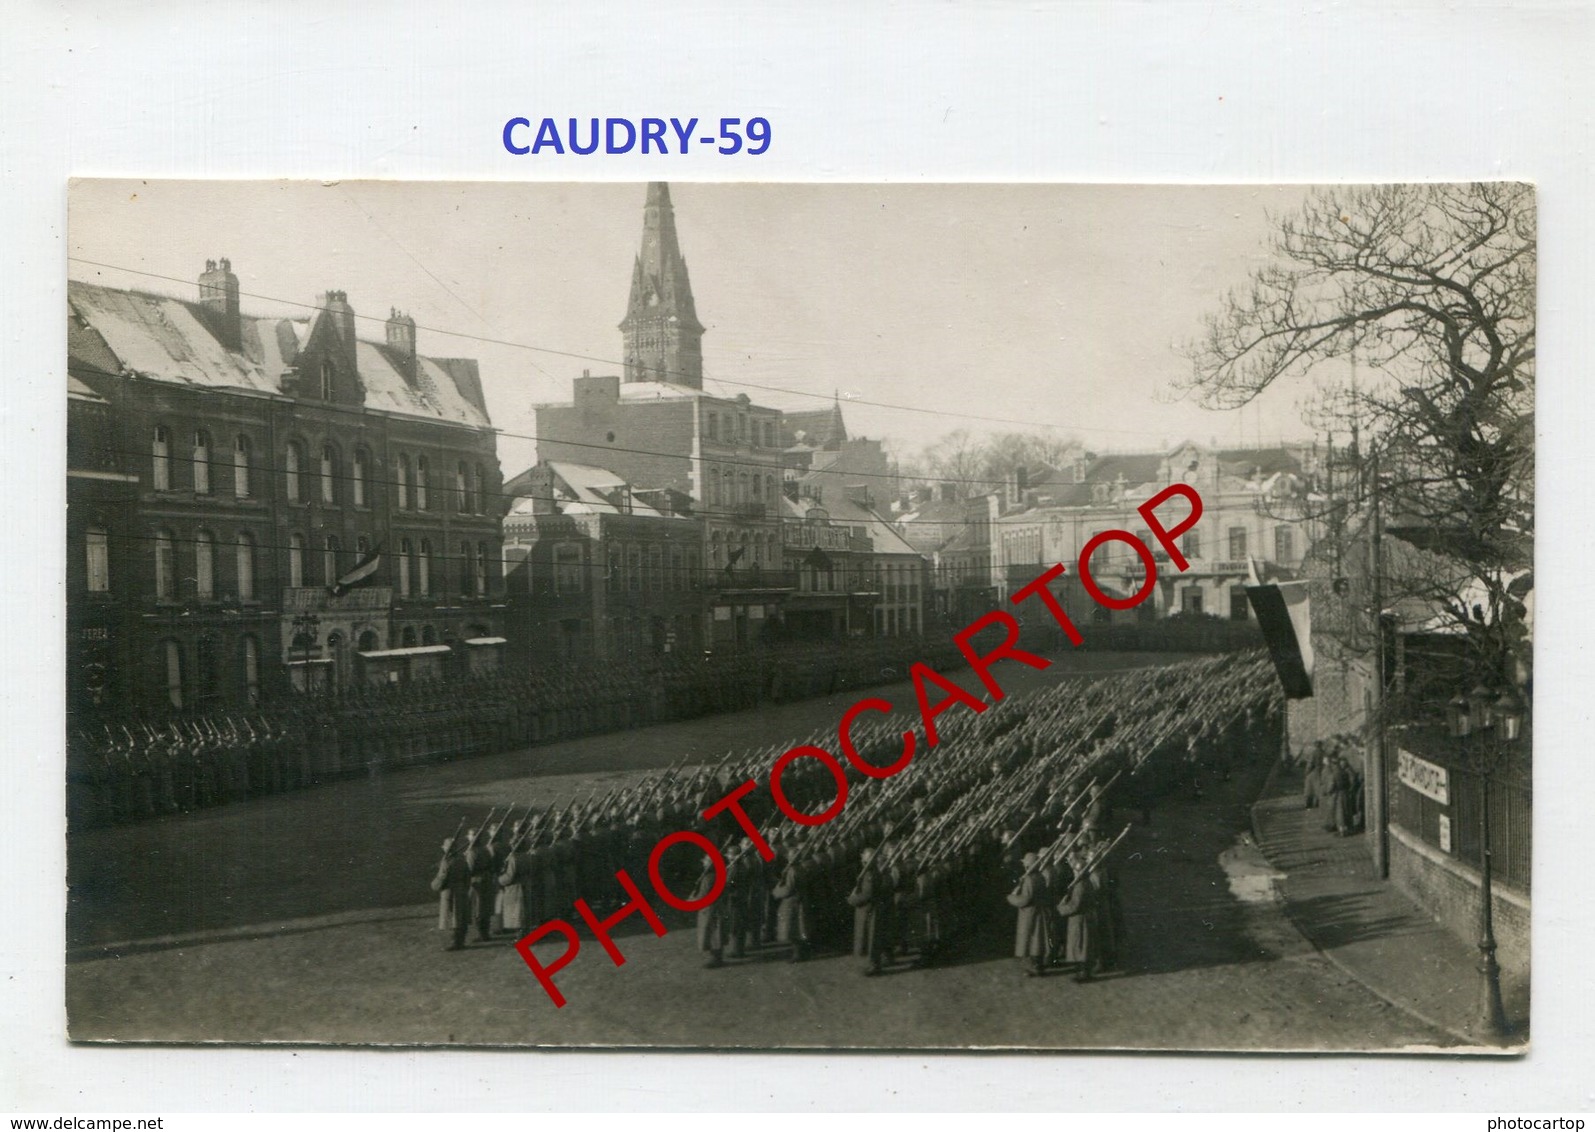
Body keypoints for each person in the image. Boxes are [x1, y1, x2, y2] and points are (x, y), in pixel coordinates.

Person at [1056, 847, 1102, 982]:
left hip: (1080, 920)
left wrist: (1061, 909)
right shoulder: (1084, 883)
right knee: (1082, 945)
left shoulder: (1080, 886)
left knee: (1081, 946)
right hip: (1084, 918)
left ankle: (1084, 974)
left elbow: (1075, 905)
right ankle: (1083, 972)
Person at [1006, 851, 1051, 978]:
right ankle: (1039, 966)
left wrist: (1011, 898)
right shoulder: (1040, 876)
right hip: (1038, 911)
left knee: (1030, 940)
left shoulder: (1029, 879)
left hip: (1029, 914)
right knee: (1038, 939)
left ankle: (1033, 967)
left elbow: (1025, 899)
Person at [847, 846, 889, 976]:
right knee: (870, 936)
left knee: (872, 937)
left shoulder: (870, 873)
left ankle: (874, 966)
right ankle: (872, 964)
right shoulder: (870, 871)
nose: (862, 858)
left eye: (864, 856)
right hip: (869, 909)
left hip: (870, 909)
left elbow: (867, 894)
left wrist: (852, 900)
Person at [431, 837, 472, 951]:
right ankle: (460, 941)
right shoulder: (462, 859)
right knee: (461, 916)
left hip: (449, 891)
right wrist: (465, 888)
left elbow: (442, 878)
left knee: (452, 917)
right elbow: (468, 876)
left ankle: (454, 943)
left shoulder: (446, 861)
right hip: (461, 889)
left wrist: (434, 885)